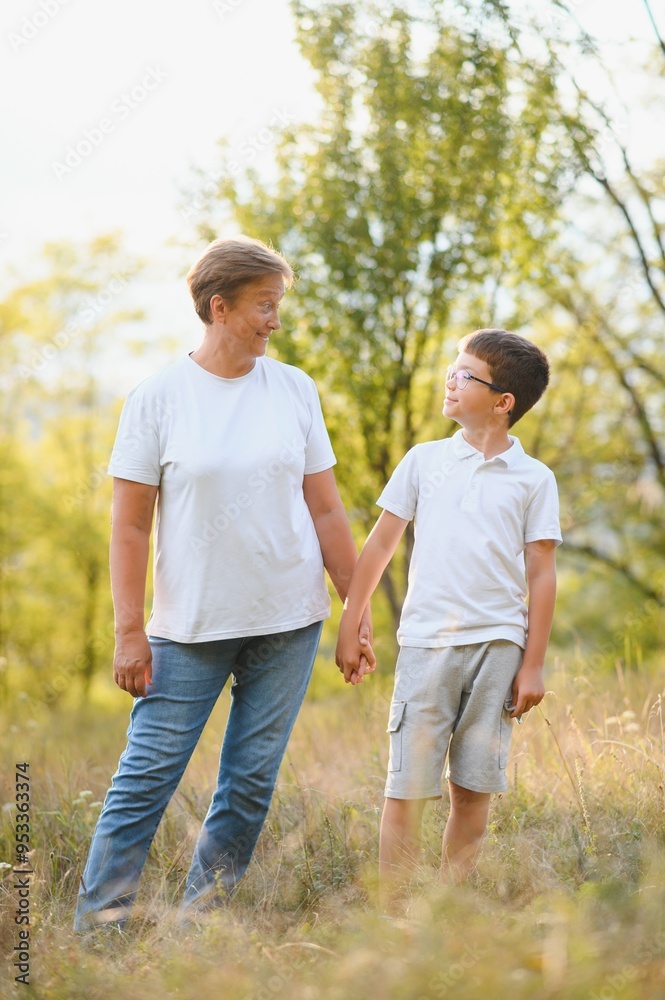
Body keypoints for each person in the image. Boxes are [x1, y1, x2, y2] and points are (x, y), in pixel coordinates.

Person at [74, 235, 372, 931]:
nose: (276, 319)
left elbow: (326, 508)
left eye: (278, 305)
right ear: (220, 306)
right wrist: (128, 630)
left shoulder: (294, 389)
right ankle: (99, 931)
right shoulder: (156, 399)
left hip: (288, 620)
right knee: (145, 780)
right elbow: (129, 529)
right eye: (264, 305)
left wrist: (355, 612)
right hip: (189, 627)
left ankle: (200, 926)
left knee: (247, 786)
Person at [336, 328, 561, 893]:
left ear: (503, 401)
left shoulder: (535, 479)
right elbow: (380, 545)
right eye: (451, 369)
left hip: (498, 647)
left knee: (472, 787)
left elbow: (541, 573)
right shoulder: (423, 460)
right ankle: (394, 913)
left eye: (465, 374)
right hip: (425, 644)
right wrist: (350, 620)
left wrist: (532, 664)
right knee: (407, 785)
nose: (450, 380)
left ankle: (448, 911)